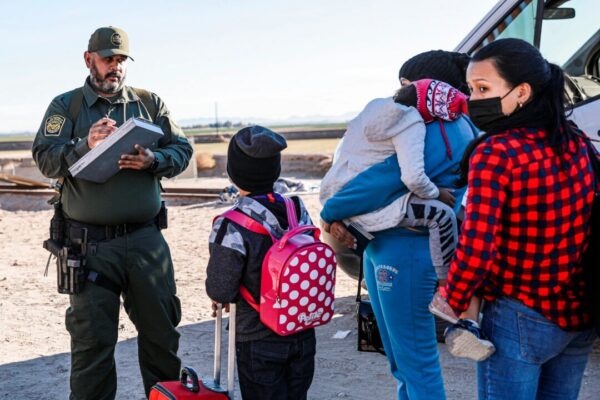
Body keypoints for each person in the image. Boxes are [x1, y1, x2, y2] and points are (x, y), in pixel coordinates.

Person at [32, 26, 193, 399]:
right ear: (89, 60)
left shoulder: (149, 103)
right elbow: (44, 158)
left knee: (162, 338)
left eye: (121, 60)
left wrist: (154, 159)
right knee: (92, 346)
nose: (114, 67)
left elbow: (182, 150)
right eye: (108, 59)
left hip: (146, 242)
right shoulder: (66, 107)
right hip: (89, 248)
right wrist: (83, 144)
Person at [445, 38, 598, 399]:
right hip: (578, 314)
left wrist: (453, 301)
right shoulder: (575, 141)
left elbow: (476, 247)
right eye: (470, 89)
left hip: (520, 314)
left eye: (483, 88)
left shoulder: (497, 151)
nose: (473, 99)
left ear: (522, 92)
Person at [320, 50, 478, 399]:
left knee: (414, 362)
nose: (401, 96)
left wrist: (330, 210)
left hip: (406, 247)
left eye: (407, 85)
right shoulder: (452, 124)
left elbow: (380, 183)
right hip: (390, 245)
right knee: (400, 359)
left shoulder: (437, 129)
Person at [205, 126, 316, 400]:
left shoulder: (231, 224)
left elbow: (220, 289)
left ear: (234, 173)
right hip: (302, 331)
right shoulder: (298, 211)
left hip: (257, 339)